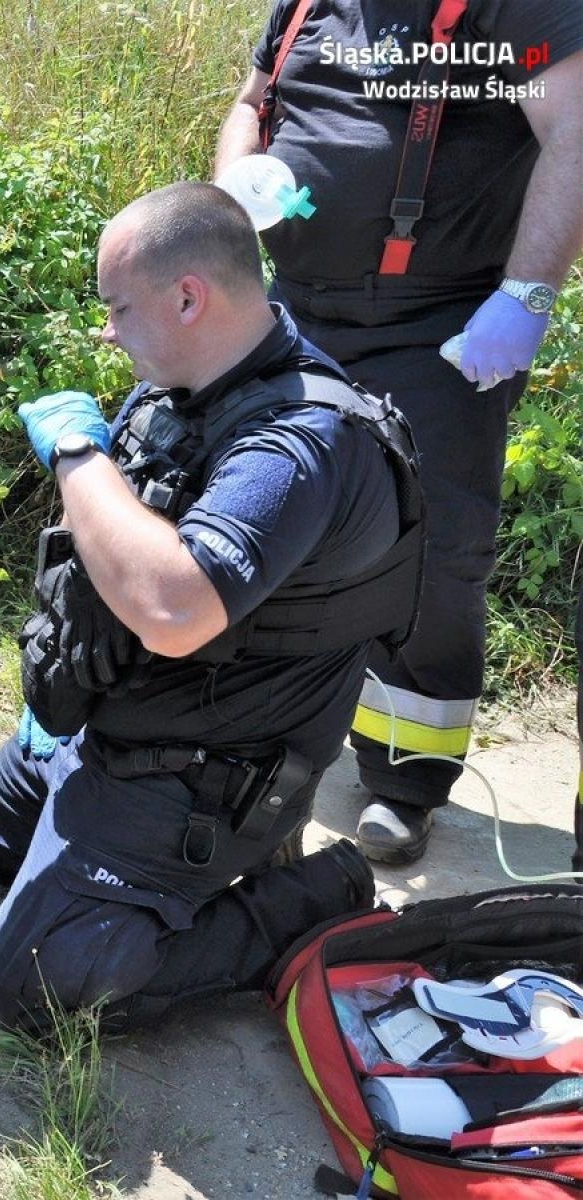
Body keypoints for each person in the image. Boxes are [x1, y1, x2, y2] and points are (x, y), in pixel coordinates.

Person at [0, 182, 422, 1032]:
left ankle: (309, 898)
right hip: (126, 716)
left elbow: (174, 610)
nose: (107, 329)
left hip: (215, 764)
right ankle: (128, 857)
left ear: (188, 297)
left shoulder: (296, 447)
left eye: (118, 307)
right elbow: (112, 535)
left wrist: (74, 453)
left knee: (31, 983)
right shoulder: (188, 381)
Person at [215, 1, 583, 864]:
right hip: (296, 310)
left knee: (436, 554)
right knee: (268, 525)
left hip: (442, 322)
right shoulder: (309, 2)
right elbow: (252, 98)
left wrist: (528, 295)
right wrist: (239, 183)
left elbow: (572, 132)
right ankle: (255, 738)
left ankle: (404, 779)